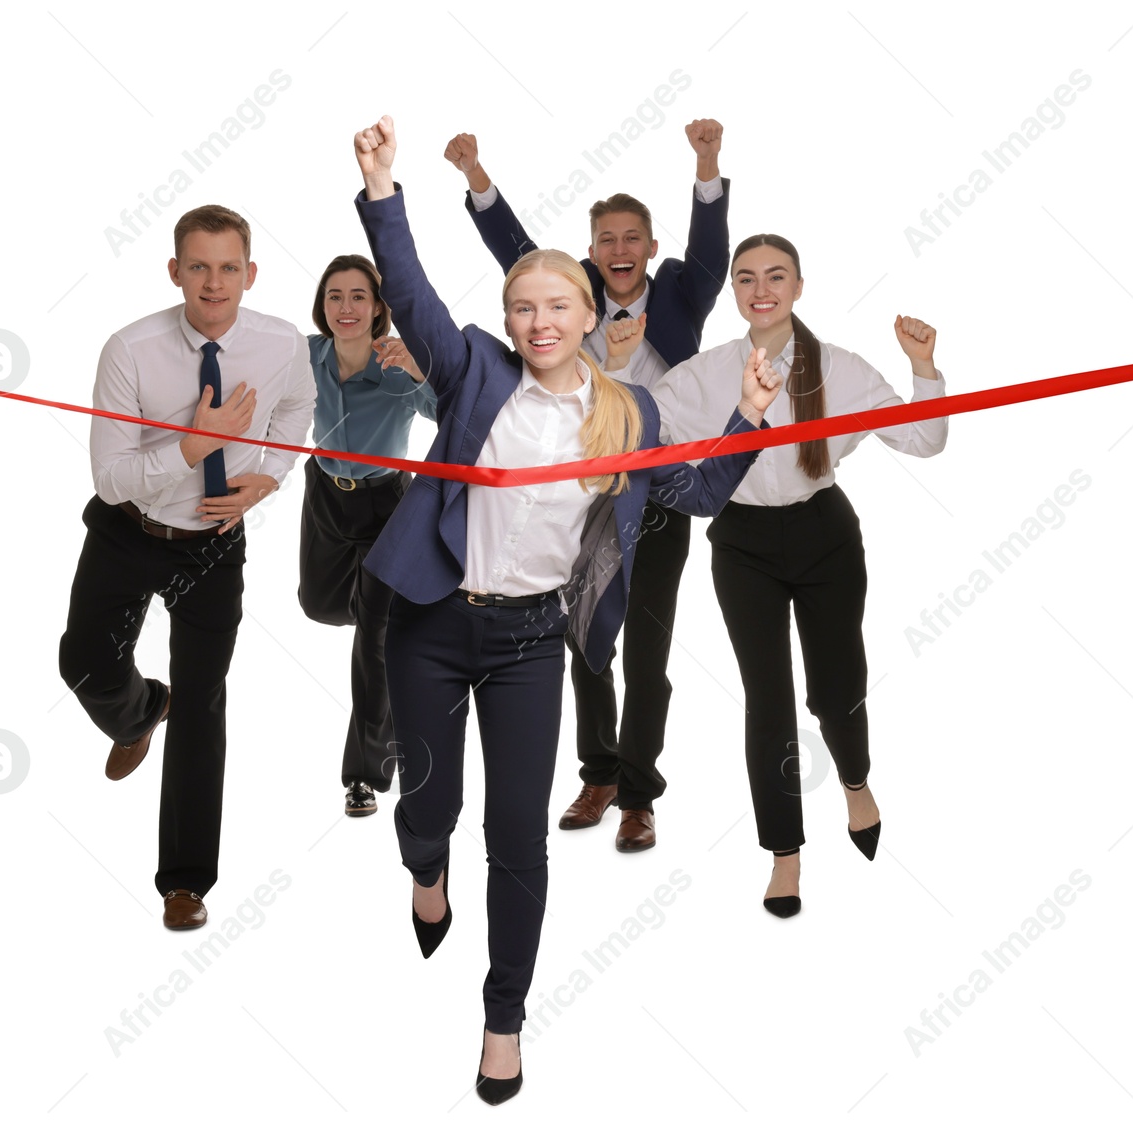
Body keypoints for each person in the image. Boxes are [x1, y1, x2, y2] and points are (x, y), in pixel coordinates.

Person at [351, 115, 778, 1103]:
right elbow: (410, 295)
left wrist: (748, 419)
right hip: (430, 621)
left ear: (589, 315)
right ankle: (424, 869)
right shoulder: (471, 373)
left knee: (516, 835)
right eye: (520, 305)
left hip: (529, 640)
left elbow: (701, 494)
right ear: (507, 322)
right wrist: (383, 190)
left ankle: (503, 1018)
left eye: (556, 304)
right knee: (430, 806)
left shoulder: (625, 418)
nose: (538, 319)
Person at [640, 233, 949, 918]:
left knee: (837, 688)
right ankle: (785, 853)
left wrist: (923, 367)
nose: (760, 289)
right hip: (743, 542)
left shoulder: (841, 369)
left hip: (824, 533)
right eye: (746, 277)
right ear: (734, 292)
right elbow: (641, 428)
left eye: (776, 276)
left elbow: (925, 440)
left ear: (799, 287)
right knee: (768, 700)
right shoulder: (704, 374)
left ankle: (857, 781)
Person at [442, 120, 729, 852]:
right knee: (584, 637)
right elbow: (517, 254)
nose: (621, 250)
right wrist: (478, 175)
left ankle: (638, 794)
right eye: (608, 238)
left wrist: (705, 164)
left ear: (650, 248)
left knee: (647, 655)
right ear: (592, 248)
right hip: (580, 497)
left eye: (633, 237)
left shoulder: (680, 296)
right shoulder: (572, 301)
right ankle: (598, 772)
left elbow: (712, 253)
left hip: (660, 496)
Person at [57, 204, 315, 930]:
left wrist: (268, 473)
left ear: (250, 274)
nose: (213, 282)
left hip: (212, 540)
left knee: (205, 700)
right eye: (197, 266)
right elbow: (110, 478)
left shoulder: (281, 342)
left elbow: (300, 406)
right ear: (175, 272)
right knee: (82, 660)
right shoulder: (130, 350)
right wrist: (194, 447)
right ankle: (140, 711)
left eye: (228, 267)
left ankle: (186, 882)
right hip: (129, 530)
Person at [296, 253, 437, 817]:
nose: (346, 307)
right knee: (319, 605)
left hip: (385, 504)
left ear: (378, 308)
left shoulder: (397, 366)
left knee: (374, 641)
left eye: (358, 297)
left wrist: (423, 370)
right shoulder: (306, 355)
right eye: (335, 296)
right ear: (322, 306)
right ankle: (395, 617)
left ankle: (365, 775)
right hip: (325, 495)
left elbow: (446, 412)